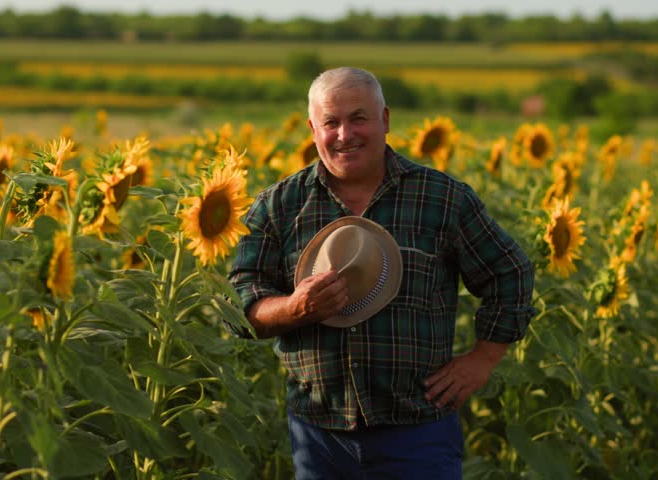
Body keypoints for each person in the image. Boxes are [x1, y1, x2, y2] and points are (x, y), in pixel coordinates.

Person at [228, 67, 536, 479]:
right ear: (312, 129)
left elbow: (509, 273)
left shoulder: (441, 198)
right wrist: (295, 308)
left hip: (418, 431)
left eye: (358, 118)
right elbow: (241, 303)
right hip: (320, 435)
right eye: (330, 122)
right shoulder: (279, 205)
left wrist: (483, 359)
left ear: (385, 120)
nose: (344, 134)